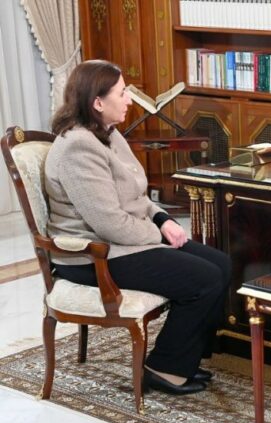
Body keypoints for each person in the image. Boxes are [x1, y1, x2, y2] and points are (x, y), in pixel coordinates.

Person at [45, 60, 230, 395]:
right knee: (205, 279)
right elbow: (110, 224)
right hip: (93, 256)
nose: (129, 99)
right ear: (97, 102)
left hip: (124, 241)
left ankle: (186, 357)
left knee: (222, 263)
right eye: (122, 93)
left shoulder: (108, 133)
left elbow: (136, 194)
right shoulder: (77, 147)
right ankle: (164, 368)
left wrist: (162, 219)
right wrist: (158, 235)